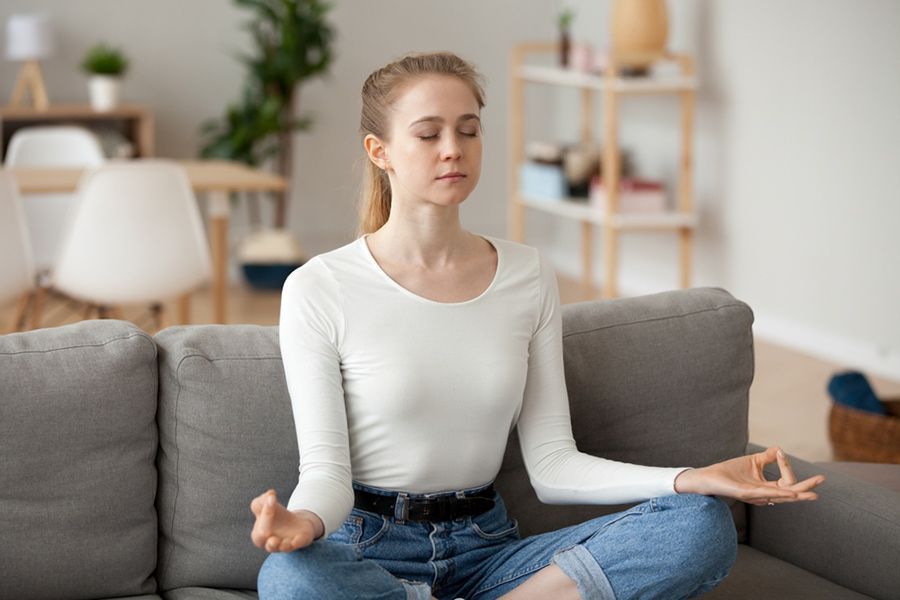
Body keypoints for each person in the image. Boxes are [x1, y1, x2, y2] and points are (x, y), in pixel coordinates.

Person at [251, 51, 826, 600]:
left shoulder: (526, 274)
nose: (453, 149)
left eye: (469, 130)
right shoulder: (319, 287)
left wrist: (690, 478)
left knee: (700, 525)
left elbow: (553, 464)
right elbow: (327, 474)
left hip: (489, 550)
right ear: (380, 151)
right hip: (370, 550)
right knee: (290, 579)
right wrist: (301, 522)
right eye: (428, 134)